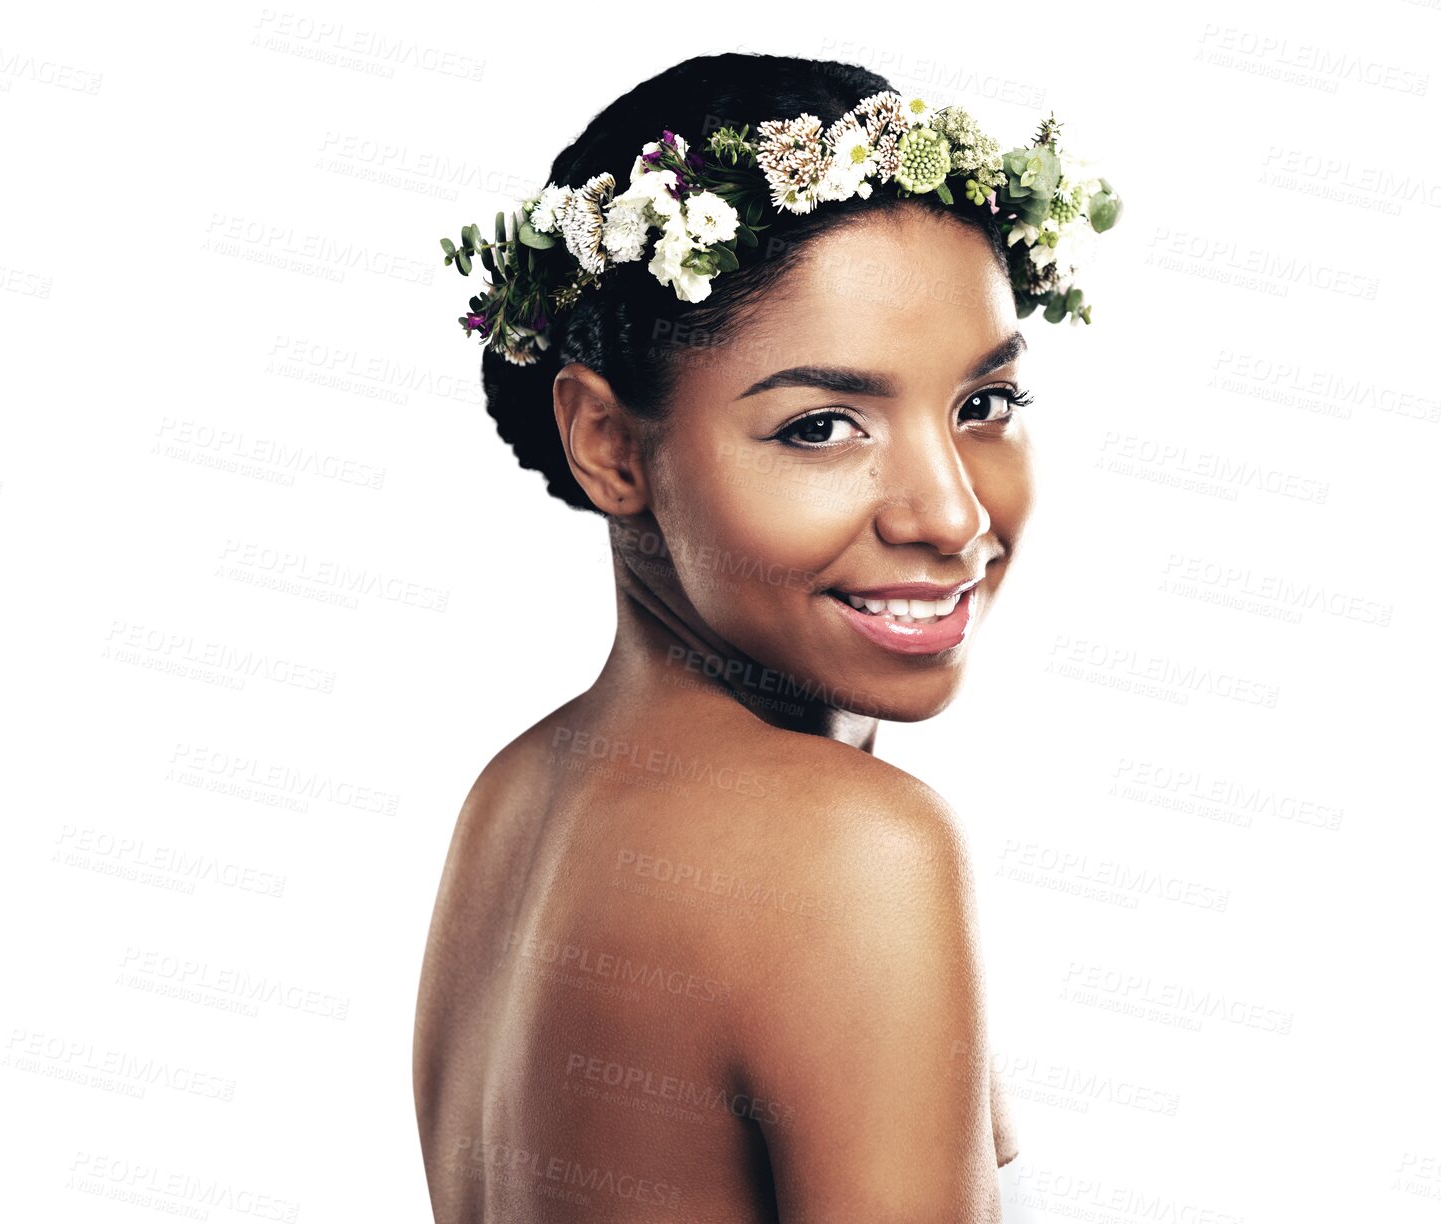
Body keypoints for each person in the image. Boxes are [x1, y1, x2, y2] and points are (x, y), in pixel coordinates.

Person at [414, 51, 1120, 1222]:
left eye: (983, 405)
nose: (949, 514)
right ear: (608, 442)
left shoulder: (520, 798)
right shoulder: (849, 850)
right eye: (823, 425)